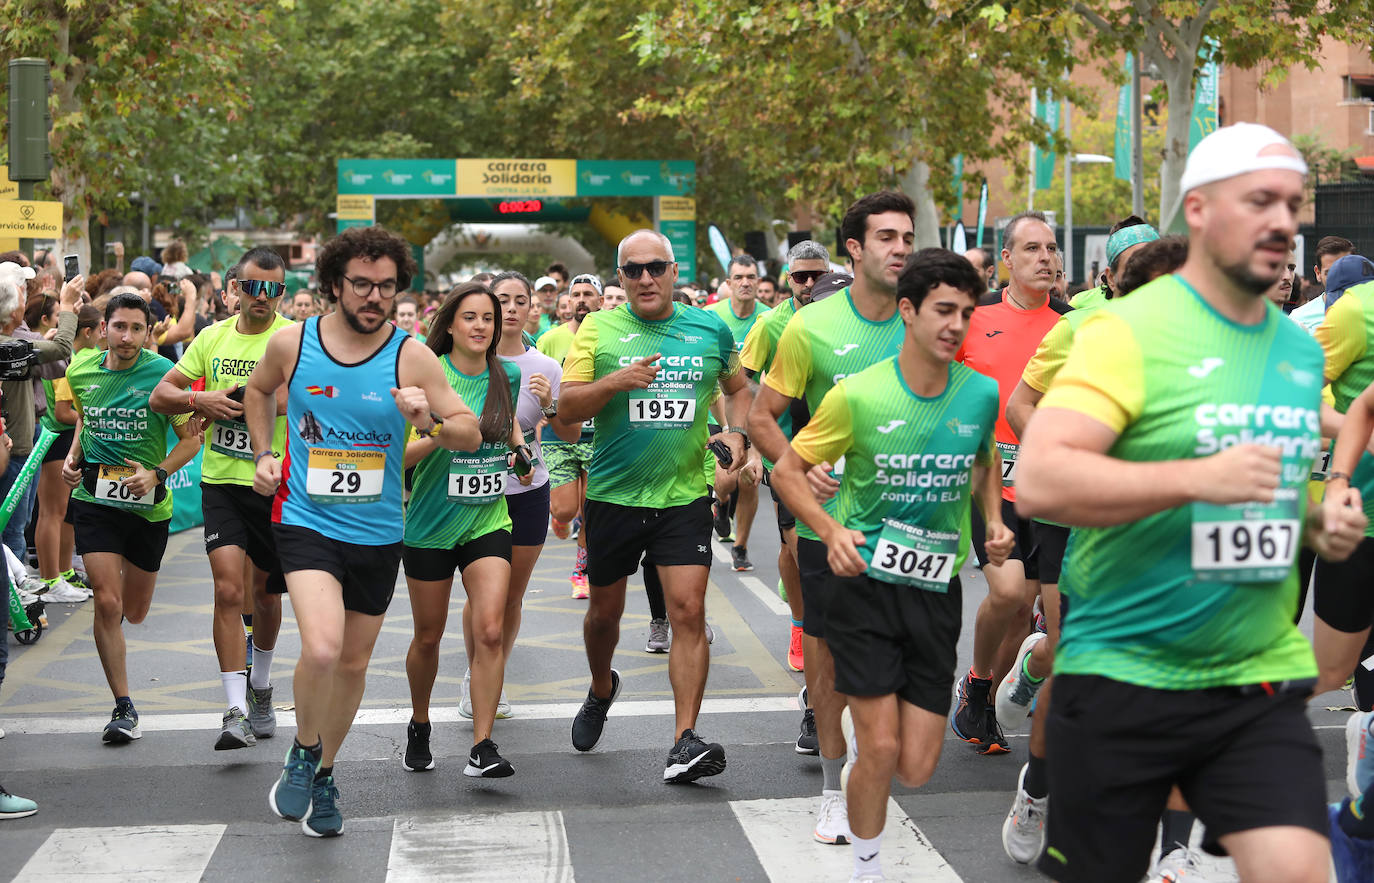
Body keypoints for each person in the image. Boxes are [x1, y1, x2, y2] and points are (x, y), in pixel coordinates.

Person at [1019, 121, 1360, 883]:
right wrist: (1194, 478)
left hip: (1253, 676)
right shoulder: (1126, 331)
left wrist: (1316, 517)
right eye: (1259, 200)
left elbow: (1253, 495)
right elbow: (1042, 480)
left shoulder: (1297, 350)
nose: (1283, 221)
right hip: (1124, 671)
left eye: (1293, 204)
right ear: (1199, 210)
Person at [773, 248, 1008, 883]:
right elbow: (788, 469)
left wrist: (991, 520)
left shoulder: (981, 393)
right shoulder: (857, 396)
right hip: (864, 585)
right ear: (908, 311)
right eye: (942, 310)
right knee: (877, 744)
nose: (956, 324)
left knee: (918, 766)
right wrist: (827, 530)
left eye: (966, 311)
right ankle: (868, 868)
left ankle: (866, 773)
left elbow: (983, 459)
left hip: (935, 588)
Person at [246, 225, 481, 838]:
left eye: (385, 286)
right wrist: (263, 454)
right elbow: (258, 390)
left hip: (379, 529)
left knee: (352, 665)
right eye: (361, 285)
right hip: (307, 520)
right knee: (321, 648)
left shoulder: (411, 356)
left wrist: (427, 417)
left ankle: (324, 773)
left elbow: (469, 431)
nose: (374, 297)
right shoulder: (292, 344)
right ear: (333, 285)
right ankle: (302, 752)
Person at [996, 226, 1184, 871]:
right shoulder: (1082, 330)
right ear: (1114, 281)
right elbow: (1023, 403)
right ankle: (1038, 789)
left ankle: (1178, 849)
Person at [748, 191, 915, 845]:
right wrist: (796, 464)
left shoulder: (924, 319)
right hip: (833, 520)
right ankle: (830, 788)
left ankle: (871, 766)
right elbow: (762, 414)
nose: (900, 247)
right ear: (855, 248)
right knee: (825, 659)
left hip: (911, 519)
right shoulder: (810, 327)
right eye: (886, 237)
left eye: (907, 237)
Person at [560, 228, 751, 783]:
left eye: (656, 267)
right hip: (613, 496)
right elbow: (567, 412)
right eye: (633, 270)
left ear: (673, 272)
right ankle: (602, 688)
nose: (645, 278)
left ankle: (684, 739)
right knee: (604, 617)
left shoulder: (708, 328)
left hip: (682, 496)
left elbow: (739, 389)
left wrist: (736, 434)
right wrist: (614, 383)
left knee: (689, 612)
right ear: (619, 277)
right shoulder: (598, 327)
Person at [150, 247, 295, 751]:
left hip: (276, 484)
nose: (262, 297)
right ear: (235, 287)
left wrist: (243, 400)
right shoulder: (211, 339)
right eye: (253, 287)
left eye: (273, 289)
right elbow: (161, 394)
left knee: (267, 596)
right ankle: (233, 708)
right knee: (229, 592)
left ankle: (261, 687)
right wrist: (200, 399)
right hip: (221, 484)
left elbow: (301, 396)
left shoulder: (292, 339)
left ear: (283, 291)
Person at [949, 209, 1071, 756]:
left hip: (1051, 487)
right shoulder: (975, 320)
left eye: (1051, 248)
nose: (1046, 258)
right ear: (1007, 259)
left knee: (1026, 606)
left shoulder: (1073, 326)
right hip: (988, 479)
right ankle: (976, 679)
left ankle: (990, 702)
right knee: (1006, 591)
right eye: (1032, 249)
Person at [401, 283, 531, 778]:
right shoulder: (431, 379)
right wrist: (441, 431)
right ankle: (419, 723)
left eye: (489, 319)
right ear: (450, 324)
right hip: (430, 524)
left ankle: (482, 745)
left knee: (491, 630)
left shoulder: (508, 375)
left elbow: (513, 433)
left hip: (487, 519)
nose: (481, 326)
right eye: (470, 317)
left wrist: (521, 456)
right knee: (428, 638)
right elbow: (402, 459)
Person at [62, 292, 204, 743]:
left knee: (135, 612)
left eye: (136, 329)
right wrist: (72, 455)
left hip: (148, 506)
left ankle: (119, 626)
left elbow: (190, 443)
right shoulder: (80, 369)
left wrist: (157, 474)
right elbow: (87, 419)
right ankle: (123, 706)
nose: (126, 337)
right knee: (107, 601)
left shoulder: (162, 376)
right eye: (118, 326)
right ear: (103, 327)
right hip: (95, 499)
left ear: (149, 333)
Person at [738, 238, 831, 751]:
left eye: (818, 275)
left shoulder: (844, 317)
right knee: (802, 555)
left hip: (847, 463)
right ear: (787, 278)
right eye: (800, 278)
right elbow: (745, 387)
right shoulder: (772, 325)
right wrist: (752, 448)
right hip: (788, 455)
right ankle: (803, 625)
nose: (810, 286)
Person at [0, 263, 80, 567]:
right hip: (15, 447)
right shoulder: (11, 348)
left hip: (16, 441)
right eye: (22, 294)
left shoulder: (14, 344)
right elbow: (60, 349)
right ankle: (10, 603)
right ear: (13, 312)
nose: (26, 298)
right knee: (14, 531)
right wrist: (69, 304)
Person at [536, 273, 603, 594]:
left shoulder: (610, 337)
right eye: (575, 294)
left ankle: (581, 571)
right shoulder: (551, 339)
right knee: (565, 509)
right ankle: (561, 519)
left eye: (588, 294)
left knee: (590, 510)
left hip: (598, 435)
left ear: (600, 302)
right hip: (558, 433)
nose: (581, 300)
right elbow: (536, 382)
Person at [33, 303, 101, 603]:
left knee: (61, 513)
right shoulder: (66, 362)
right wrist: (95, 417)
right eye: (101, 328)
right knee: (52, 512)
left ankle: (59, 573)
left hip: (59, 439)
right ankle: (50, 579)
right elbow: (63, 411)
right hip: (55, 438)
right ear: (85, 332)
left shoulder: (67, 357)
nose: (103, 335)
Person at [707, 254, 770, 571]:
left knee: (750, 480)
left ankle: (741, 546)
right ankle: (720, 503)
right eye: (739, 278)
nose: (746, 282)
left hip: (757, 415)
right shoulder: (710, 318)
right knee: (724, 479)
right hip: (717, 414)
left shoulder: (769, 320)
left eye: (751, 277)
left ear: (759, 282)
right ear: (728, 284)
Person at [1292, 252, 1374, 335]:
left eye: (1346, 272)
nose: (1338, 278)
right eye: (1330, 272)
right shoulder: (1299, 317)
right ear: (1318, 273)